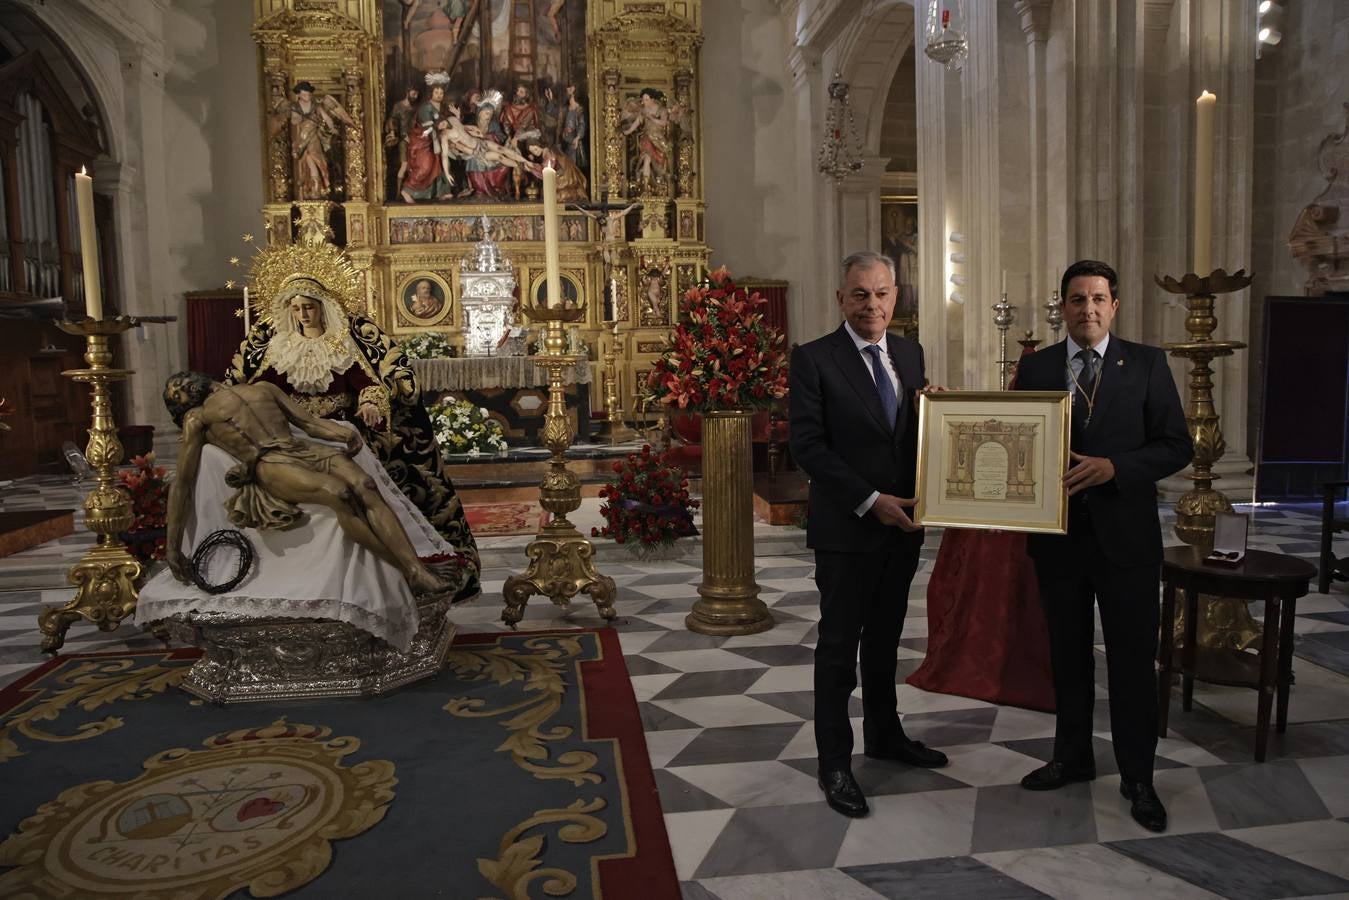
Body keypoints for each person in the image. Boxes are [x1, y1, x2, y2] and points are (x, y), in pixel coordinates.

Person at [1012, 259, 1192, 833]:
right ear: (1061, 306)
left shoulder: (1145, 363)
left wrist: (1117, 467)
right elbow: (1014, 439)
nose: (1086, 309)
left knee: (1133, 662)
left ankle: (1139, 776)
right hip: (1059, 541)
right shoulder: (1037, 366)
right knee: (1066, 656)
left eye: (1097, 299)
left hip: (1127, 540)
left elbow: (1175, 446)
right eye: (1076, 299)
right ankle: (1072, 756)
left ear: (1114, 305)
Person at [788, 250, 948, 819]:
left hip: (902, 527)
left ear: (895, 296)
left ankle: (886, 734)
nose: (872, 304)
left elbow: (912, 436)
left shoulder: (911, 352)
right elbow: (808, 446)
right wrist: (869, 500)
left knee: (885, 640)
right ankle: (835, 760)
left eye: (881, 293)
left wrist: (940, 419)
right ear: (841, 299)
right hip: (848, 528)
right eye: (860, 294)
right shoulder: (813, 359)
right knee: (838, 647)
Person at [226, 272, 480, 596]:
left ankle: (410, 565)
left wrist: (371, 403)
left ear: (322, 308)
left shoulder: (339, 345)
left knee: (365, 487)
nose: (303, 314)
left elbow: (368, 383)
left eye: (309, 307)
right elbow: (261, 394)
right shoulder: (281, 350)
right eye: (297, 308)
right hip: (296, 435)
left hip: (339, 432)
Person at [162, 372, 449, 596]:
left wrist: (339, 433)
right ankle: (408, 571)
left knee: (365, 485)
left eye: (177, 384)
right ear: (182, 405)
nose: (178, 388)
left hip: (303, 447)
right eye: (175, 394)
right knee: (339, 492)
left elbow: (309, 423)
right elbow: (183, 483)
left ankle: (416, 570)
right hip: (269, 462)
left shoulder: (263, 388)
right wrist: (172, 547)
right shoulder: (196, 418)